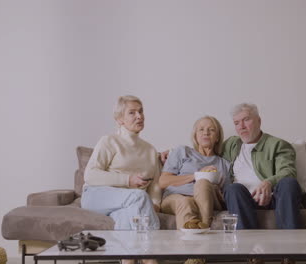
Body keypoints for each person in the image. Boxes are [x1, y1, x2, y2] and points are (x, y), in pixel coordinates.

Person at [81, 95, 161, 264]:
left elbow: (155, 185)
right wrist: (128, 180)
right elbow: (90, 175)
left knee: (129, 215)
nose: (139, 116)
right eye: (132, 113)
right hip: (97, 195)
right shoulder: (109, 141)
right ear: (119, 119)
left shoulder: (150, 150)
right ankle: (151, 257)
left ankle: (128, 261)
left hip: (130, 203)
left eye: (141, 111)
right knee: (138, 196)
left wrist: (155, 202)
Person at [222, 103, 302, 264]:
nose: (241, 126)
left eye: (246, 120)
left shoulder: (278, 145)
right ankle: (253, 256)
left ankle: (289, 255)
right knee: (232, 189)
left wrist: (268, 183)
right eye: (237, 123)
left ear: (259, 121)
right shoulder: (232, 145)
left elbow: (288, 171)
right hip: (243, 200)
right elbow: (204, 148)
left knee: (289, 183)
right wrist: (171, 154)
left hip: (274, 198)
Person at [159, 116, 231, 229]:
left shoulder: (223, 164)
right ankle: (197, 236)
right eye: (201, 129)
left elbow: (227, 196)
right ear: (195, 136)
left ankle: (203, 227)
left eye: (211, 130)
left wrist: (212, 186)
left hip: (208, 199)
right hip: (175, 198)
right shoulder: (182, 152)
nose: (206, 133)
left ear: (217, 137)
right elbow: (163, 182)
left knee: (203, 183)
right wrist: (197, 175)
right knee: (185, 202)